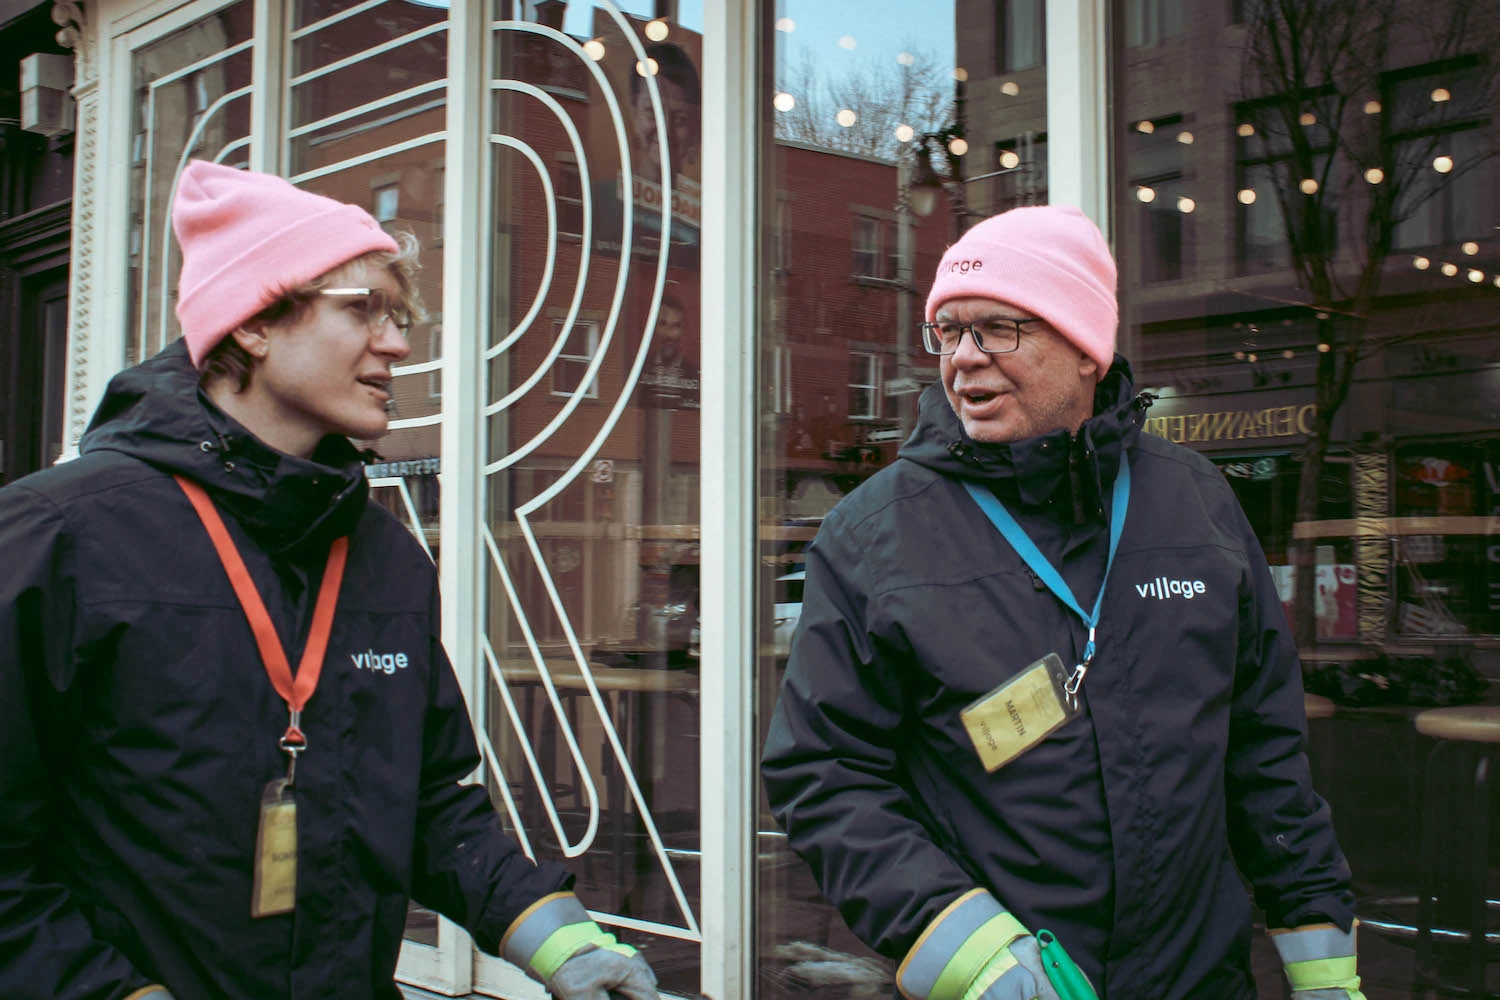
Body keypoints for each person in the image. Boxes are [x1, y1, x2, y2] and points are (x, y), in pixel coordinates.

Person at [0, 161, 659, 1000]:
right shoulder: (57, 534)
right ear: (253, 326)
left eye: (400, 316)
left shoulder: (384, 555)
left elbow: (428, 807)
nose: (397, 341)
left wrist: (564, 946)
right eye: (362, 311)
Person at [761, 205, 1365, 1000]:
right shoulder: (872, 535)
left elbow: (1263, 755)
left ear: (1086, 347)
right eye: (948, 332)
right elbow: (826, 772)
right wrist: (968, 949)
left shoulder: (1196, 504)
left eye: (998, 329)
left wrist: (1324, 966)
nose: (963, 361)